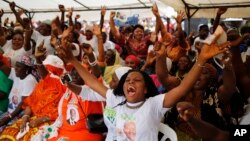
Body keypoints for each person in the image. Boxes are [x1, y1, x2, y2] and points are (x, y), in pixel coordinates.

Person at [57, 23, 229, 140]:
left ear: (146, 89)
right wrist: (72, 59)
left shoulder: (154, 104)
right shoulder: (115, 99)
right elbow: (92, 83)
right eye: (127, 80)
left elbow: (184, 87)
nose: (130, 82)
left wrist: (201, 60)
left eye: (136, 80)